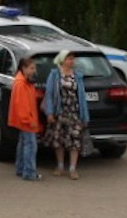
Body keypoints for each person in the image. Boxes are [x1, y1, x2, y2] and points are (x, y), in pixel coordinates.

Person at [43, 50, 86, 179]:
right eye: (69, 59)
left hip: (74, 112)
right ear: (62, 60)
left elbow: (82, 97)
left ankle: (73, 169)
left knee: (75, 140)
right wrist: (49, 113)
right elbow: (49, 94)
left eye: (73, 59)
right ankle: (60, 166)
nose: (72, 61)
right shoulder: (54, 75)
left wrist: (85, 115)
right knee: (59, 140)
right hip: (59, 112)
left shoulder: (77, 76)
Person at [9, 55, 45, 182]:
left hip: (24, 120)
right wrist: (29, 120)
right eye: (31, 68)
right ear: (24, 68)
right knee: (30, 146)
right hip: (27, 121)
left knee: (23, 144)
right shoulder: (21, 83)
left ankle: (21, 169)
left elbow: (28, 98)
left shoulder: (24, 81)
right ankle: (29, 172)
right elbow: (22, 105)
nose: (34, 71)